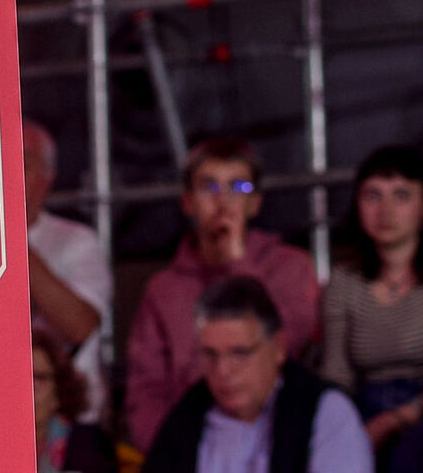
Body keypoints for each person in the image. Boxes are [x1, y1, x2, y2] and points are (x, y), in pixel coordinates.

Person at [126, 137, 322, 451]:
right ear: (187, 202)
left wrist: (238, 262)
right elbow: (145, 389)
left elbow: (286, 345)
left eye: (238, 187)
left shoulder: (291, 266)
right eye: (209, 187)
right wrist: (171, 453)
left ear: (255, 202)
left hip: (275, 440)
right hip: (187, 446)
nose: (223, 200)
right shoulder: (164, 288)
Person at [143, 276, 371, 473]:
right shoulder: (185, 419)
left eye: (239, 353)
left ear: (278, 347)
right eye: (210, 355)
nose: (223, 370)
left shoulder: (325, 412)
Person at [323, 143, 423, 472]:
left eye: (401, 196)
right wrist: (341, 425)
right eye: (373, 196)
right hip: (363, 407)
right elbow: (336, 373)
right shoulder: (344, 281)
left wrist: (396, 419)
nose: (386, 210)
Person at [23, 120, 111, 421]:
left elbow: (80, 327)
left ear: (48, 177)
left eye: (22, 164)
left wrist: (8, 235)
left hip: (71, 420)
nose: (6, 175)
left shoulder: (77, 241)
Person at [32, 330, 115, 473]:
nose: (30, 388)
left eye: (39, 378)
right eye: (20, 378)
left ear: (60, 388)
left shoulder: (86, 444)